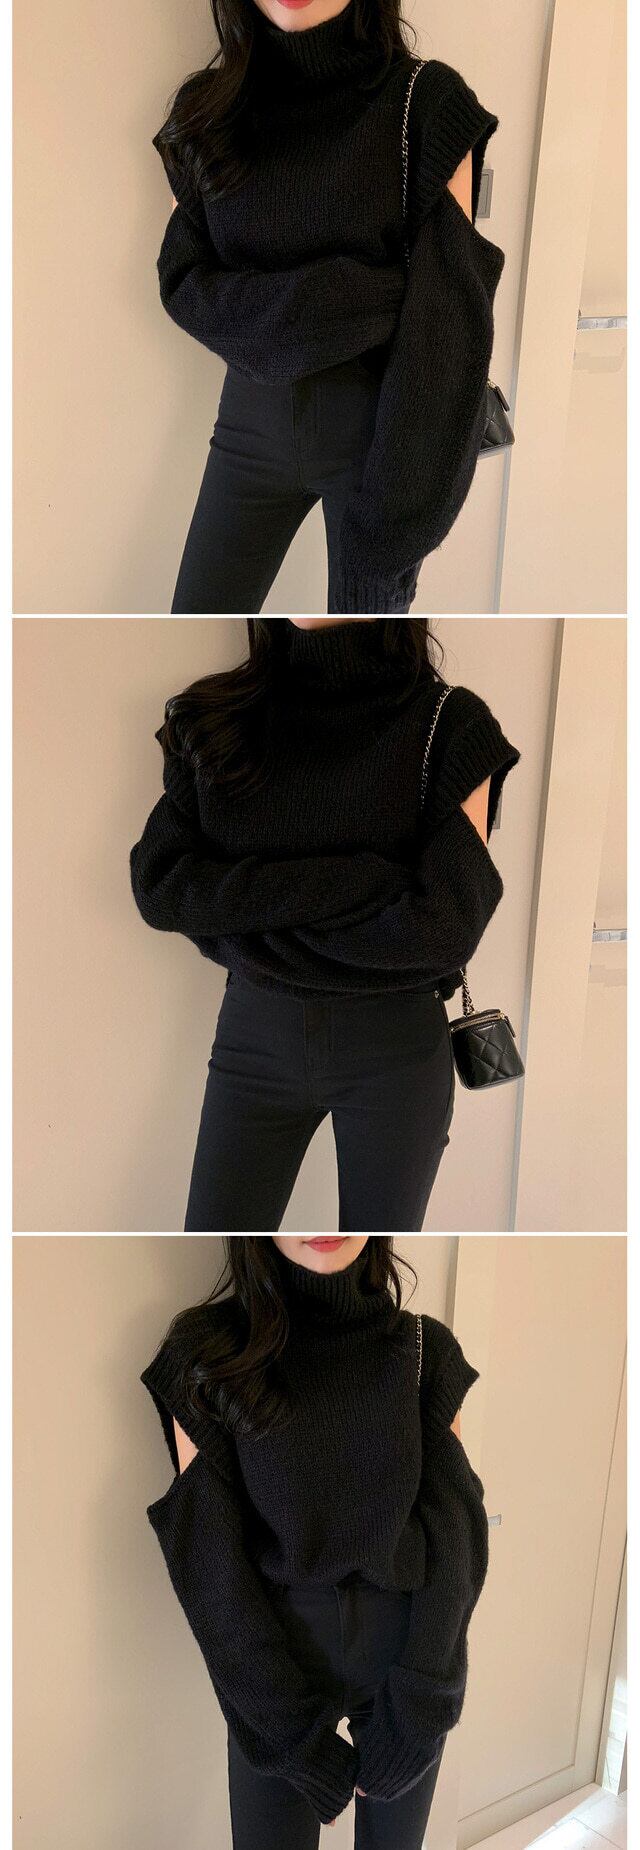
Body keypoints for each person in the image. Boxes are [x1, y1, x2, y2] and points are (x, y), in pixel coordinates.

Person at [130, 617, 520, 1230]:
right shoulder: (215, 720)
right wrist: (374, 883)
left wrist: (253, 925)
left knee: (377, 1245)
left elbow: (444, 927)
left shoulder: (449, 725)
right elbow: (164, 887)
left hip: (395, 1052)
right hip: (254, 1043)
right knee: (218, 1237)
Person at [152, 0, 506, 613]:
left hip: (384, 439)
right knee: (194, 614)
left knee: (363, 625)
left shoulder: (424, 105)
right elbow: (186, 282)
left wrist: (393, 532)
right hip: (246, 430)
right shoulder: (207, 112)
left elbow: (448, 324)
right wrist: (380, 295)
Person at [140, 1235, 490, 1849]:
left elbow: (456, 1536)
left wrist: (422, 1707)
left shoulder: (422, 1350)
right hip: (274, 1665)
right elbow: (208, 1563)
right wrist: (293, 1738)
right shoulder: (209, 1352)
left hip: (407, 1653)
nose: (325, 1225)